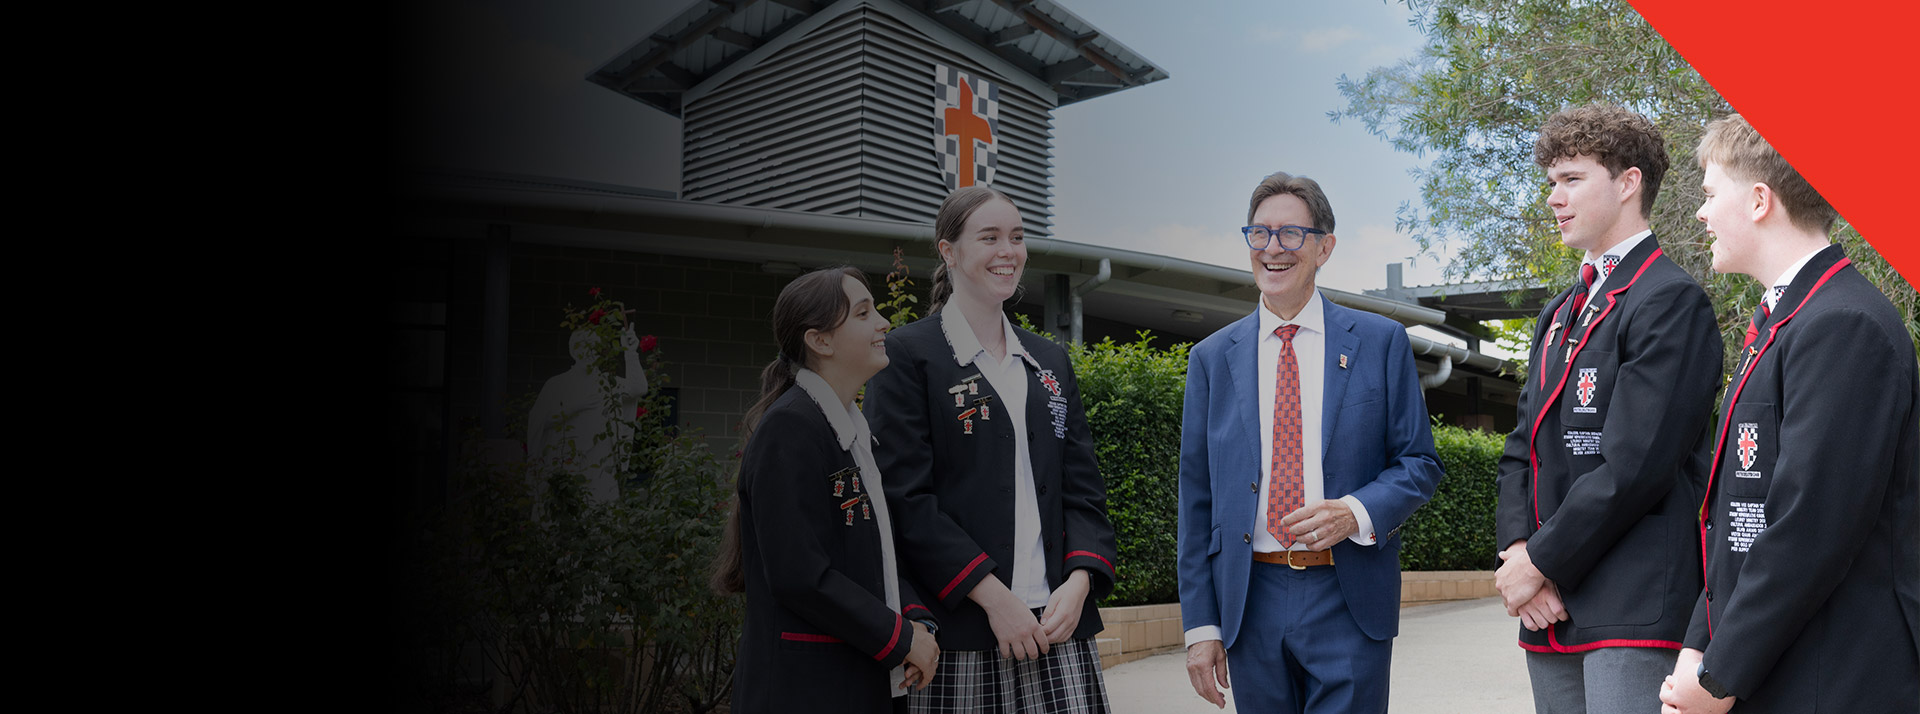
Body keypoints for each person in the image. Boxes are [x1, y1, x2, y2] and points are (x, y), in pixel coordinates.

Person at [1657, 113, 1919, 714]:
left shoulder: (1844, 324)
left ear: (1757, 201)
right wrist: (1698, 652)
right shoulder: (1788, 321)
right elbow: (1733, 519)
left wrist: (1721, 675)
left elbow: (1809, 526)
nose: (1700, 214)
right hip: (1781, 665)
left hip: (1834, 676)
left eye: (1708, 194)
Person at [1176, 171, 1442, 713]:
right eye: (1260, 233)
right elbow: (1196, 498)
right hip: (1251, 602)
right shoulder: (1210, 359)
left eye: (1291, 234)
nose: (1273, 248)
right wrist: (1201, 624)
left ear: (1324, 247)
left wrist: (1354, 512)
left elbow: (1419, 462)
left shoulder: (1378, 342)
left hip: (1347, 594)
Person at [1491, 103, 1722, 714]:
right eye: (1551, 183)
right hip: (1551, 606)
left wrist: (1540, 561)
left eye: (1571, 179)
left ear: (1627, 182)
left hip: (1633, 605)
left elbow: (1635, 465)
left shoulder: (1671, 300)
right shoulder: (1560, 310)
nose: (1553, 198)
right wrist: (1517, 552)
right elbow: (1523, 446)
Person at [865, 186, 1119, 713]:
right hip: (960, 634)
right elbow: (904, 499)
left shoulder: (1049, 360)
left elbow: (1083, 488)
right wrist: (995, 599)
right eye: (990, 237)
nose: (1009, 251)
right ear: (948, 251)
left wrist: (1078, 581)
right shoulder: (908, 355)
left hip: (1057, 629)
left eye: (1018, 237)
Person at [712, 266, 940, 714]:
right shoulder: (790, 429)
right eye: (863, 313)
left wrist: (915, 620)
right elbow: (801, 576)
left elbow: (871, 557)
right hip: (806, 690)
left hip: (855, 680)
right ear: (820, 341)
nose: (883, 323)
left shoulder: (848, 431)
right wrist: (898, 638)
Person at [527, 326, 650, 504]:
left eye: (593, 347)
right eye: (584, 347)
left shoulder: (607, 383)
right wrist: (573, 407)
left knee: (599, 514)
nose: (589, 352)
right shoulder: (557, 384)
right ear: (574, 350)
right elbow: (538, 422)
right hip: (565, 461)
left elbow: (638, 388)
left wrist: (630, 352)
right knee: (563, 511)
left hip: (599, 461)